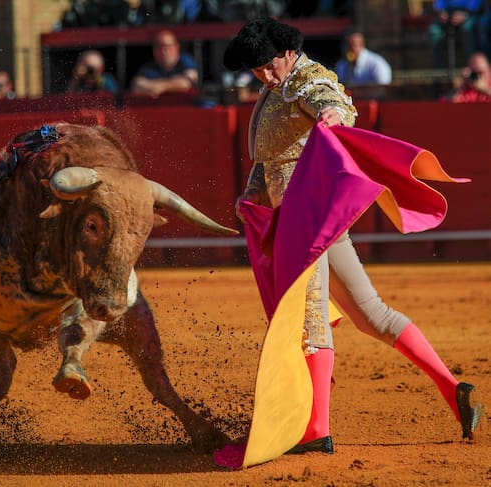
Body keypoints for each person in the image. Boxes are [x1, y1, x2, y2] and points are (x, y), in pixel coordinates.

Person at [214, 17, 483, 468]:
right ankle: (452, 389)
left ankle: (318, 430)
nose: (260, 74)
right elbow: (270, 155)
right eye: (253, 69)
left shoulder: (306, 78)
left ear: (284, 53)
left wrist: (333, 116)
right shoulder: (274, 88)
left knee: (311, 318)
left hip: (309, 218)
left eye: (264, 66)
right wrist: (252, 191)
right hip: (307, 220)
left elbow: (334, 103)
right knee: (371, 314)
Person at [130, 29, 199, 97]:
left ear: (177, 47)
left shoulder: (186, 61)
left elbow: (188, 82)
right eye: (160, 47)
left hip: (183, 105)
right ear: (154, 50)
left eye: (168, 46)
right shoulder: (149, 68)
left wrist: (161, 86)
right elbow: (137, 85)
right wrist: (173, 84)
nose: (164, 51)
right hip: (156, 106)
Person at [429, 0, 484, 69]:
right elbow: (439, 2)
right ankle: (439, 72)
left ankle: (472, 69)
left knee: (468, 28)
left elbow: (476, 3)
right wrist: (441, 11)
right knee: (434, 31)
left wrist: (465, 13)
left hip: (469, 12)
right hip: (447, 12)